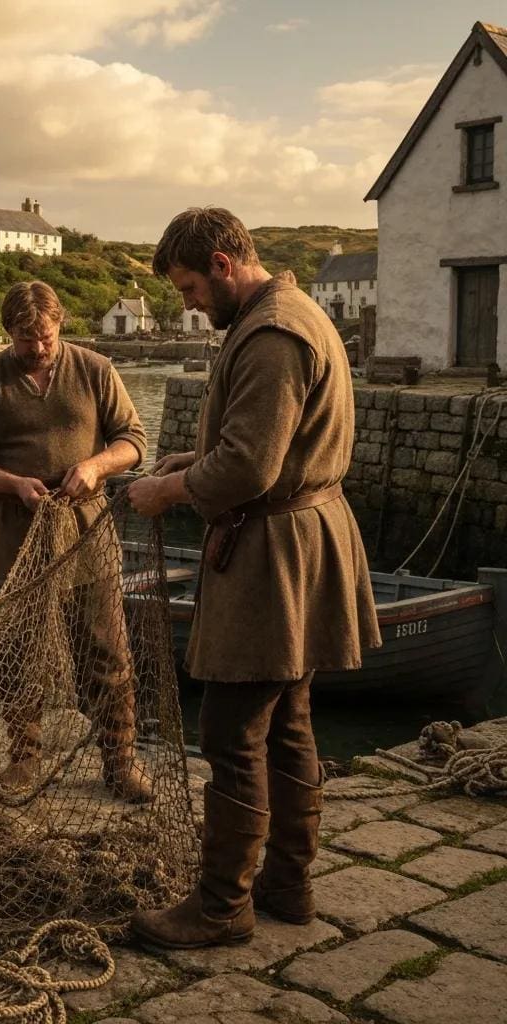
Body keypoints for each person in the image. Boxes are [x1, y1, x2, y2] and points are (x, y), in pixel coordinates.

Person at [127, 208, 380, 949]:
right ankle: (288, 886)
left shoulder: (272, 334)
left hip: (275, 551)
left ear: (222, 261)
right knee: (290, 723)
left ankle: (220, 906)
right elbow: (254, 443)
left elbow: (250, 467)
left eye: (190, 287)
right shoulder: (282, 315)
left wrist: (168, 492)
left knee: (232, 731)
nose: (189, 303)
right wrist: (184, 461)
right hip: (301, 535)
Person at [0, 280, 153, 804]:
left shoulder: (95, 370)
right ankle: (23, 761)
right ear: (7, 332)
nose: (36, 348)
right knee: (18, 659)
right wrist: (12, 484)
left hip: (87, 539)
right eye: (24, 339)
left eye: (44, 336)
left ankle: (121, 763)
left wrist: (95, 466)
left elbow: (133, 441)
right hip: (13, 545)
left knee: (107, 656)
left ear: (59, 325)